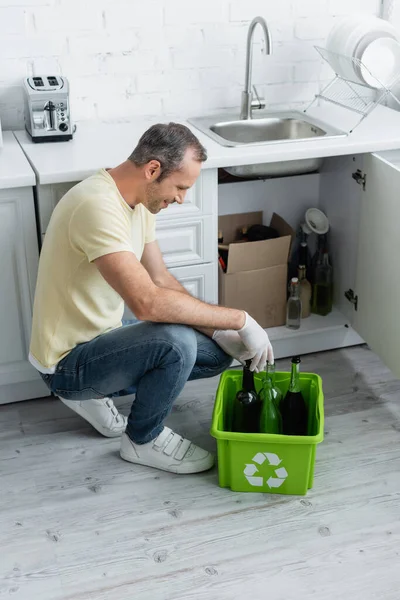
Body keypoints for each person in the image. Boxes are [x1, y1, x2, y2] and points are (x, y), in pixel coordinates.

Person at [29, 122, 273, 475]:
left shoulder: (139, 202)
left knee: (217, 353)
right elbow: (147, 303)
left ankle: (100, 393)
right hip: (66, 364)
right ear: (153, 169)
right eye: (180, 187)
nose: (181, 198)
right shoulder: (96, 206)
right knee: (174, 343)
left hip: (103, 337)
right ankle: (142, 440)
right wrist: (240, 319)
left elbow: (161, 279)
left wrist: (221, 333)